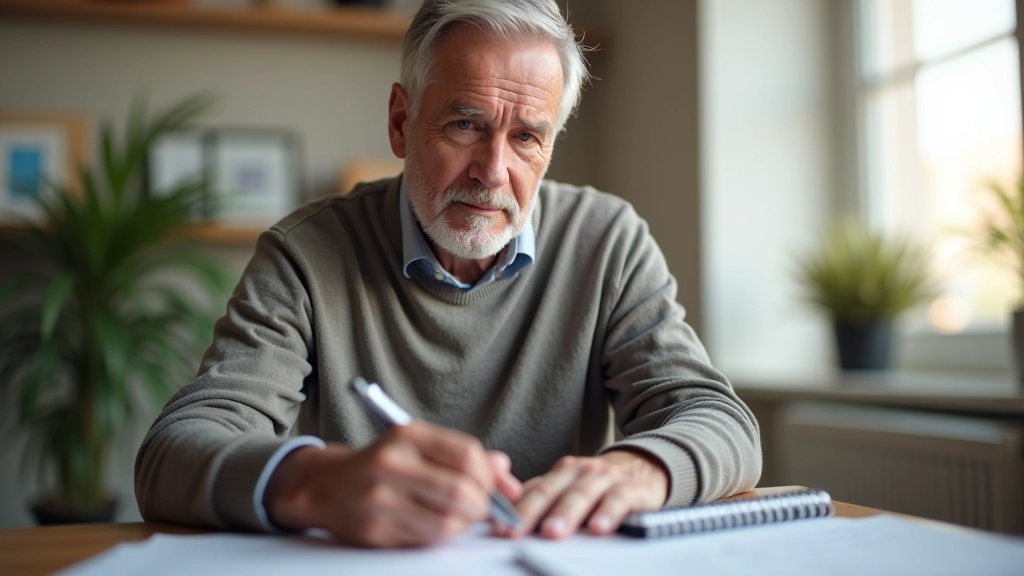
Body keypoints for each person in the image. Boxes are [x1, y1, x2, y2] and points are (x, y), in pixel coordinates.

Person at [135, 0, 761, 549]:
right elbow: (171, 453)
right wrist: (316, 483)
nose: (492, 171)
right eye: (466, 125)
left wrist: (644, 468)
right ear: (401, 122)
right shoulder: (307, 254)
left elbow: (721, 421)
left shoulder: (608, 242)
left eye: (526, 138)